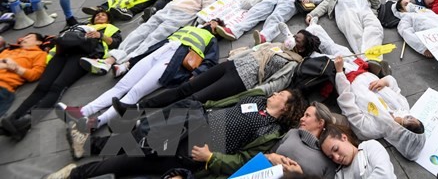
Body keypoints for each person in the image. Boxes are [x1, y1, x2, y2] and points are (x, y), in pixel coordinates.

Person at [52, 89, 307, 178]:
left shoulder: (271, 132)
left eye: (281, 95)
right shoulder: (258, 99)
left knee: (130, 161)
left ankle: (75, 171)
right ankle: (85, 147)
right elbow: (227, 103)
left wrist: (211, 158)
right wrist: (202, 108)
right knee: (134, 143)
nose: (275, 94)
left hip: (199, 150)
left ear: (286, 108)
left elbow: (245, 160)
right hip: (191, 123)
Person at [56, 25, 218, 132]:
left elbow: (211, 61)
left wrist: (195, 75)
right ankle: (83, 111)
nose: (211, 21)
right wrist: (131, 61)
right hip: (159, 52)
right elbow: (158, 43)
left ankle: (97, 122)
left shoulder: (212, 40)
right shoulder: (187, 27)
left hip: (174, 61)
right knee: (120, 87)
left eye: (216, 22)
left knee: (135, 92)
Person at [113, 36, 318, 113]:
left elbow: (275, 84)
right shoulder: (278, 45)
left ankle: (144, 121)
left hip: (240, 81)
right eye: (295, 35)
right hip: (230, 65)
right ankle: (136, 107)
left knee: (194, 99)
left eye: (297, 40)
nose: (292, 39)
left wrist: (253, 92)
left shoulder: (292, 64)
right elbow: (255, 50)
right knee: (185, 88)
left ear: (301, 49)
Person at [0, 11, 121, 141]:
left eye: (103, 15)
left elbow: (115, 42)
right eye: (97, 15)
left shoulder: (110, 28)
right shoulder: (80, 25)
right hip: (61, 54)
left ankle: (27, 120)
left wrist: (100, 35)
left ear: (108, 20)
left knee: (57, 86)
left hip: (81, 55)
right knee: (42, 86)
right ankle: (13, 118)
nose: (99, 16)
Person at [80, 0, 217, 76]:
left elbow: (207, 10)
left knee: (153, 38)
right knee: (139, 33)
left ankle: (128, 63)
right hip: (166, 11)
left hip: (182, 15)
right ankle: (110, 60)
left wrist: (198, 26)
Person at [333, 56, 426, 160]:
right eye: (411, 117)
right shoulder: (403, 107)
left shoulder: (371, 129)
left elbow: (348, 105)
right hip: (362, 69)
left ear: (400, 132)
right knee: (336, 48)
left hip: (346, 77)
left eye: (407, 120)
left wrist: (340, 73)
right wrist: (385, 81)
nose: (406, 115)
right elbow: (394, 87)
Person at [306, 0, 383, 56]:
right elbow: (324, 5)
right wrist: (312, 14)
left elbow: (377, 2)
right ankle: (367, 57)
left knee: (375, 27)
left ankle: (374, 55)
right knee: (355, 33)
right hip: (347, 12)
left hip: (365, 10)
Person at [266, 102, 337, 177]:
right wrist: (271, 157)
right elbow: (268, 153)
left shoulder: (329, 156)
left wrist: (298, 176)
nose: (301, 119)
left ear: (320, 123)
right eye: (303, 115)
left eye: (307, 115)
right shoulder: (292, 133)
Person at [319, 123, 398, 179]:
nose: (336, 157)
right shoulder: (340, 175)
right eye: (331, 157)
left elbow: (385, 174)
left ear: (344, 138)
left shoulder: (369, 147)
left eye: (336, 149)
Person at [0, 33, 47, 117]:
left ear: (38, 42)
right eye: (23, 37)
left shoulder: (39, 54)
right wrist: (5, 61)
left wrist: (16, 68)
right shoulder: (8, 50)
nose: (24, 39)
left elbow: (35, 74)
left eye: (29, 37)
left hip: (3, 87)